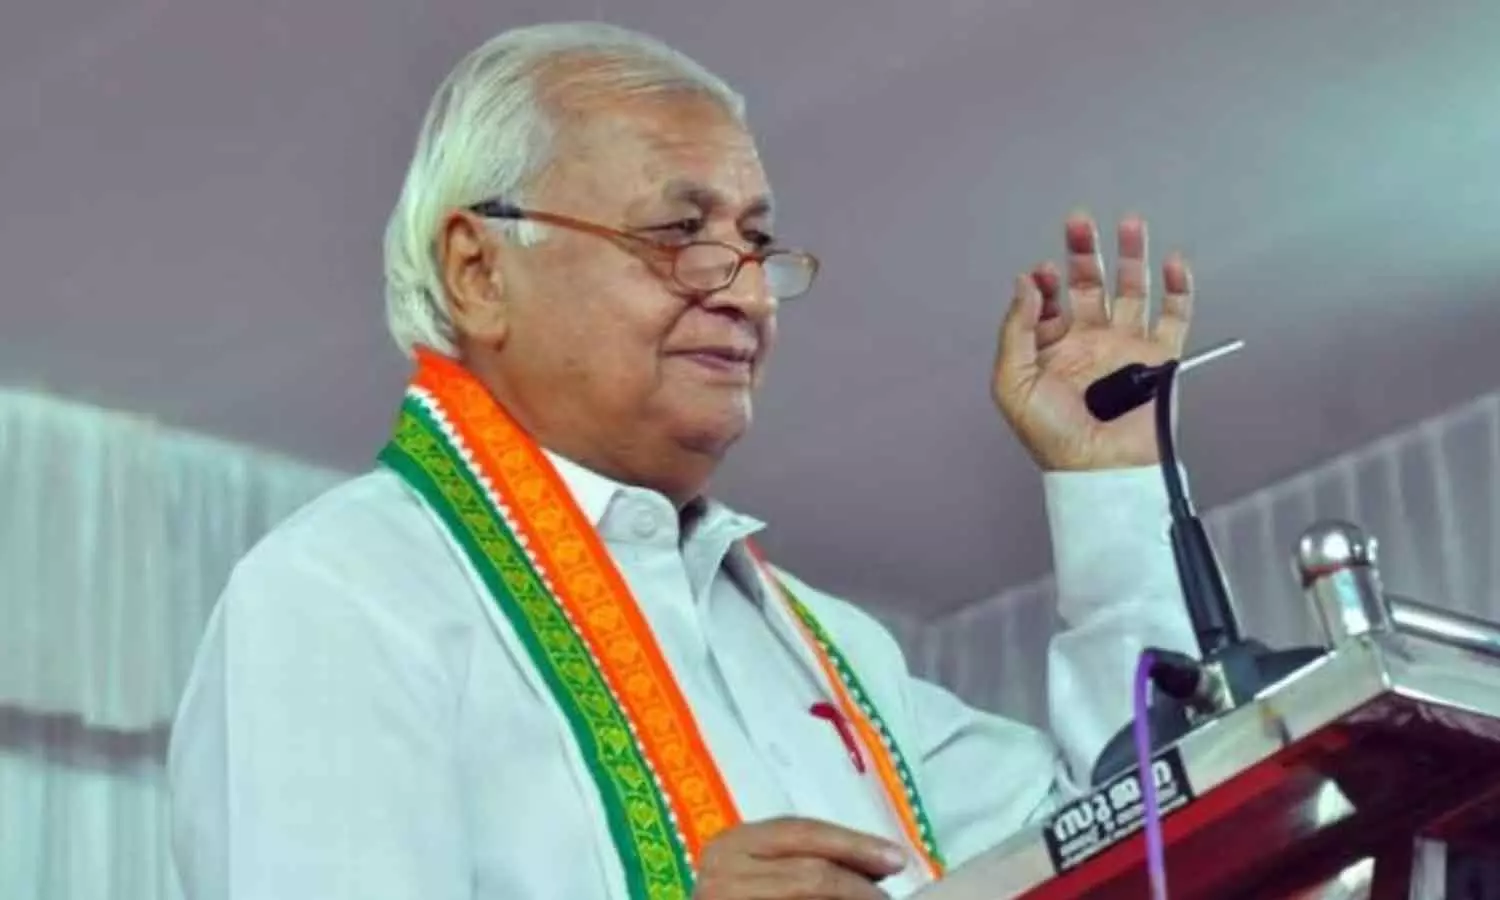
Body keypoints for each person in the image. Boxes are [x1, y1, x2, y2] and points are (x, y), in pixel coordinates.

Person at [168, 20, 1200, 900]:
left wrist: (1110, 483)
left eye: (756, 244)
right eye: (677, 234)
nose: (747, 294)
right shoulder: (348, 590)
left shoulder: (836, 651)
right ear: (479, 272)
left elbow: (1142, 840)